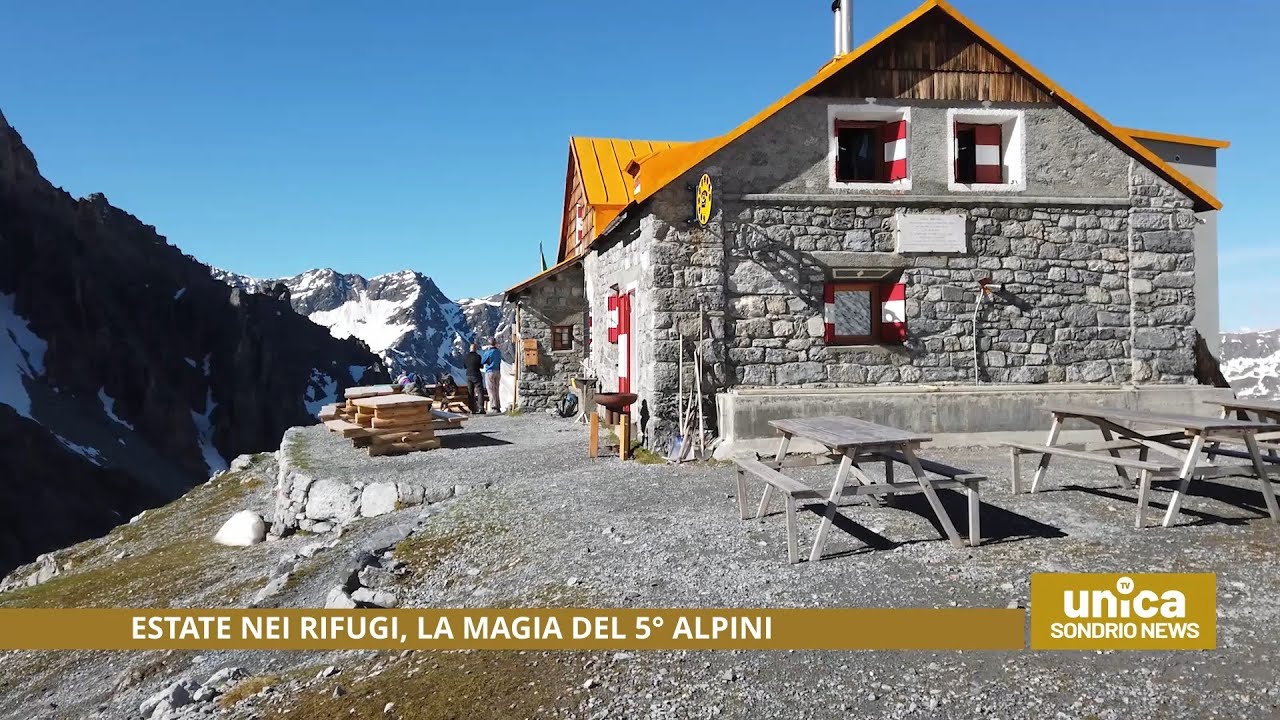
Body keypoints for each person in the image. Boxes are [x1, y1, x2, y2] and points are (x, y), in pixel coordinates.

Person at [480, 338, 503, 414]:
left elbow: (483, 361)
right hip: (498, 370)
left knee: (491, 390)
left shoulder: (488, 352)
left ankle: (493, 407)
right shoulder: (498, 352)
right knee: (496, 389)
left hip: (490, 371)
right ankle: (498, 406)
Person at [462, 343, 485, 414]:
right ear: (475, 349)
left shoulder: (466, 357)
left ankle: (472, 409)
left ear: (470, 349)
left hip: (468, 375)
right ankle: (481, 408)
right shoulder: (478, 356)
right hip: (476, 374)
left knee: (470, 392)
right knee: (480, 391)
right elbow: (481, 366)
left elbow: (464, 366)